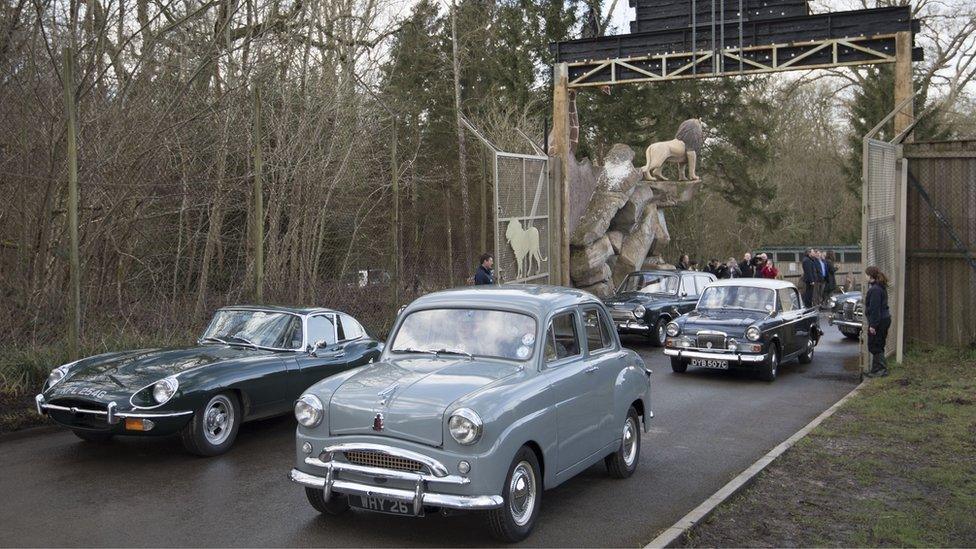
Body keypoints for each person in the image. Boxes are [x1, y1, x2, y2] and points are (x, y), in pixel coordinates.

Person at [864, 265, 891, 377]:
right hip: (883, 319)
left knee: (875, 345)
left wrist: (873, 326)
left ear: (870, 276)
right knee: (877, 344)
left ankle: (882, 370)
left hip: (879, 321)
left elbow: (875, 309)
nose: (865, 276)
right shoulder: (879, 287)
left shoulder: (875, 290)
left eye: (866, 274)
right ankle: (875, 370)